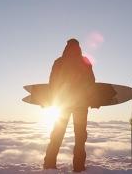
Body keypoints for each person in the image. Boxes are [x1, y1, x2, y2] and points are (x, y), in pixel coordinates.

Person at [43, 39, 95, 172]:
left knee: (57, 133)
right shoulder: (85, 61)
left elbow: (52, 83)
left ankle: (49, 163)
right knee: (80, 136)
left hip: (63, 103)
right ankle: (78, 167)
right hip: (80, 104)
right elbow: (91, 83)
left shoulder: (59, 62)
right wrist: (91, 100)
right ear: (79, 47)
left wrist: (51, 101)